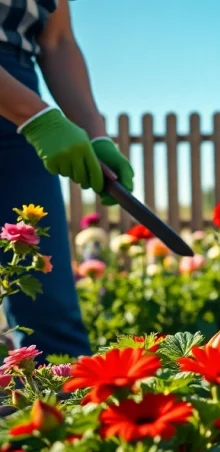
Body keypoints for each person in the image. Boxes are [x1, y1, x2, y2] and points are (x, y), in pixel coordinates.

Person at [0, 0, 133, 357]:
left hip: (19, 101)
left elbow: (57, 40)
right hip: (24, 109)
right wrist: (35, 116)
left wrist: (95, 133)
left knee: (47, 302)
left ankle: (68, 407)